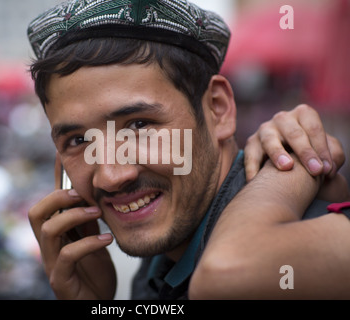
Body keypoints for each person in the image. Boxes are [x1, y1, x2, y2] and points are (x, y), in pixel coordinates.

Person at [26, 0, 350, 299]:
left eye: (139, 125)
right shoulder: (157, 269)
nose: (111, 176)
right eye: (78, 141)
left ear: (218, 109)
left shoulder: (315, 238)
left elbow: (227, 273)